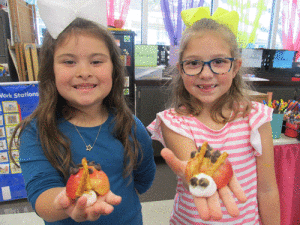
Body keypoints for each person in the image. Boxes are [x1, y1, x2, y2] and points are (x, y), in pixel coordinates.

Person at [8, 2, 156, 224]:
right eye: (69, 61)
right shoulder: (38, 131)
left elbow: (144, 178)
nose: (84, 72)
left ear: (114, 69)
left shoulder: (131, 125)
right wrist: (66, 202)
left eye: (96, 61)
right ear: (51, 71)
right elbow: (41, 194)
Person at [147, 7, 280, 225]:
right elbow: (198, 167)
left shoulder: (256, 118)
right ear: (181, 69)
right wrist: (201, 172)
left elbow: (267, 189)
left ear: (235, 67)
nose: (206, 73)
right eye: (193, 63)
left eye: (218, 61)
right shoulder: (174, 122)